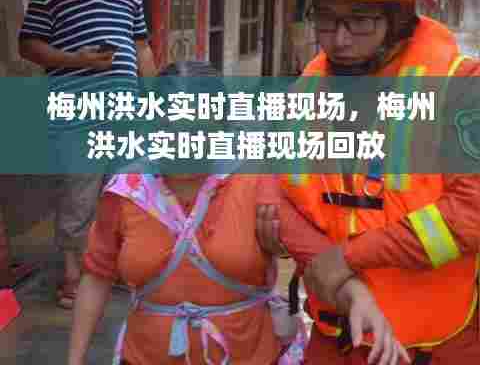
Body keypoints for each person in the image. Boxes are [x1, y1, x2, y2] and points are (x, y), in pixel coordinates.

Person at [256, 0, 480, 365]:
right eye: (325, 18)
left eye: (359, 20)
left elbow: (471, 215)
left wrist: (350, 257)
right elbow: (270, 189)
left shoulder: (460, 86)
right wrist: (340, 276)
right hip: (334, 337)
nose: (338, 40)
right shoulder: (307, 88)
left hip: (434, 345)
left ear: (402, 16)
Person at [67, 61, 408, 365]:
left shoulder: (255, 183)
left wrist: (358, 296)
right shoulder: (127, 191)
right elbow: (97, 274)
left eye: (197, 130)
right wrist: (75, 359)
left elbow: (314, 254)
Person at [18, 0, 157, 308]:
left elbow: (142, 48)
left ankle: (112, 266)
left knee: (123, 191)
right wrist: (78, 60)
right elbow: (28, 46)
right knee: (79, 195)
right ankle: (72, 275)